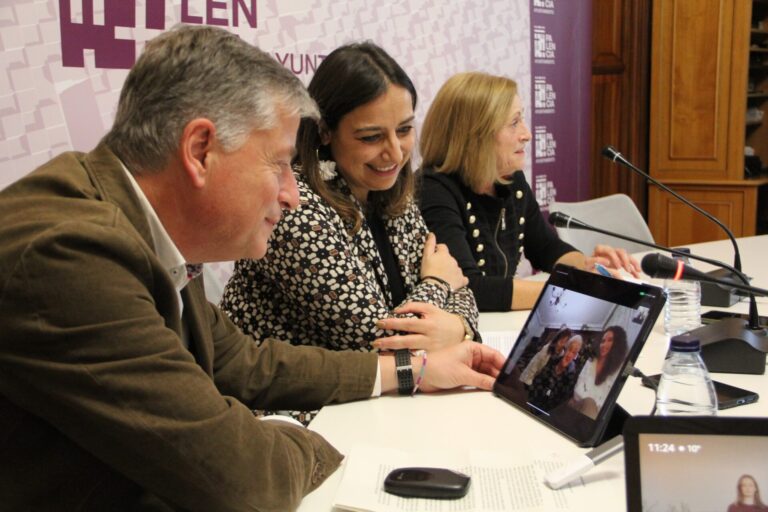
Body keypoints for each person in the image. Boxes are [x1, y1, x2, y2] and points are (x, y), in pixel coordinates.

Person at [0, 26, 506, 511]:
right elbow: (245, 483)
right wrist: (307, 434)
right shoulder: (70, 253)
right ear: (201, 151)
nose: (291, 193)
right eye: (280, 163)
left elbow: (242, 361)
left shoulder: (139, 228)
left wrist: (412, 369)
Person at [221, 41, 479, 358]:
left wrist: (458, 327)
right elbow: (379, 340)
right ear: (325, 131)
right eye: (371, 137)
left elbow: (463, 289)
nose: (395, 153)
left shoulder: (393, 193)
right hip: (296, 402)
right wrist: (439, 282)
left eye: (404, 130)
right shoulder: (296, 207)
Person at [418, 72, 642, 311]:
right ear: (475, 134)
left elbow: (546, 248)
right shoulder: (434, 191)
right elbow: (470, 289)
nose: (527, 134)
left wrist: (587, 268)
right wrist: (571, 290)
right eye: (514, 123)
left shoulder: (510, 182)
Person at [569, 326, 629, 419]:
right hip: (576, 406)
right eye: (603, 341)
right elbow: (577, 390)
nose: (604, 344)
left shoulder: (619, 371)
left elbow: (604, 406)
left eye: (610, 340)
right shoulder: (591, 361)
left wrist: (589, 402)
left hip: (594, 419)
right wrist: (589, 402)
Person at [527, 335, 583, 411]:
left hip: (544, 412)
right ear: (565, 349)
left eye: (574, 353)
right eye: (570, 349)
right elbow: (537, 380)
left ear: (574, 357)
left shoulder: (570, 378)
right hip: (530, 400)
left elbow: (559, 402)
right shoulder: (552, 361)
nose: (570, 355)